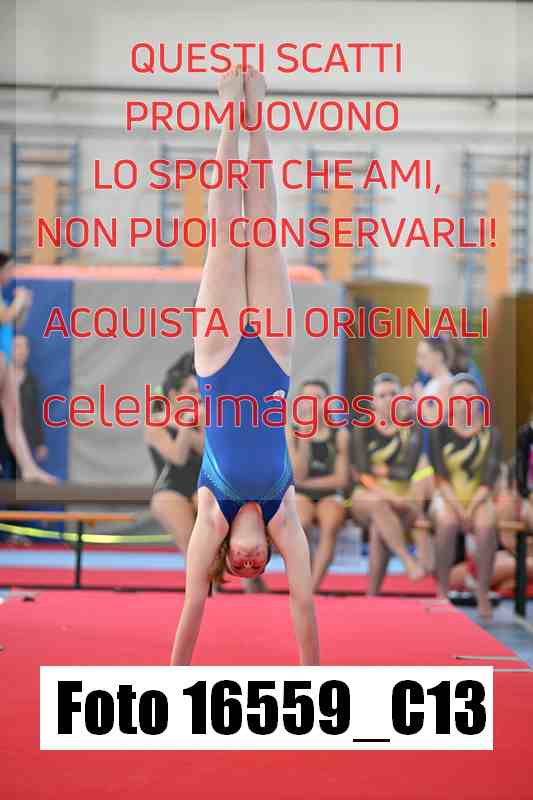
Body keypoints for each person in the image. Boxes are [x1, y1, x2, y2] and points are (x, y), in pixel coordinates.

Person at [170, 65, 319, 666]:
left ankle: (229, 114)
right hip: (275, 357)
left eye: (238, 566)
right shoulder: (284, 515)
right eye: (260, 568)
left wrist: (171, 683)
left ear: (226, 552)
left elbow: (192, 605)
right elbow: (303, 602)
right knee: (266, 231)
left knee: (227, 236)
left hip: (218, 360)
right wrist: (316, 679)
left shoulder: (213, 512)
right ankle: (257, 114)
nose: (251, 563)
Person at [428, 373, 501, 619]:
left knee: (486, 526)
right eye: (459, 399)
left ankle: (482, 591)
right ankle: (441, 590)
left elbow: (489, 478)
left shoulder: (491, 433)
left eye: (470, 397)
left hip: (479, 496)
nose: (465, 403)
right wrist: (460, 509)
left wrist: (471, 508)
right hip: (447, 495)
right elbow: (440, 477)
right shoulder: (439, 431)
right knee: (447, 522)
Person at [350, 372, 424, 594]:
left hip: (402, 495)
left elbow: (407, 471)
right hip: (366, 495)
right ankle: (406, 559)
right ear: (373, 401)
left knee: (378, 528)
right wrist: (388, 492)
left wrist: (381, 470)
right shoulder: (362, 427)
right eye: (382, 395)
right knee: (377, 504)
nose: (389, 399)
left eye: (393, 393)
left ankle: (372, 596)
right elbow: (362, 473)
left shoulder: (411, 427)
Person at [288, 379, 350, 592]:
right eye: (307, 398)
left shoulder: (339, 434)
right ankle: (305, 579)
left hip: (330, 494)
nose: (312, 403)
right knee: (301, 523)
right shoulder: (291, 432)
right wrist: (305, 435)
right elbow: (297, 475)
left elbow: (341, 479)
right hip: (301, 493)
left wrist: (306, 482)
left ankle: (311, 588)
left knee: (330, 525)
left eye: (318, 398)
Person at [0, 252, 55, 483]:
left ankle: (29, 467)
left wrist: (24, 306)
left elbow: (15, 323)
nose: (11, 274)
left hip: (5, 358)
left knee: (13, 416)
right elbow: (5, 318)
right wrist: (20, 300)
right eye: (9, 269)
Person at [145, 355, 203, 553]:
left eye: (199, 392)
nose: (198, 397)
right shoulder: (156, 424)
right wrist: (185, 425)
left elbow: (208, 452)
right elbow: (177, 458)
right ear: (174, 394)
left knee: (213, 537)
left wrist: (186, 425)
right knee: (190, 543)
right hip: (170, 488)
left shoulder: (200, 420)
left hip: (200, 485)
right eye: (192, 392)